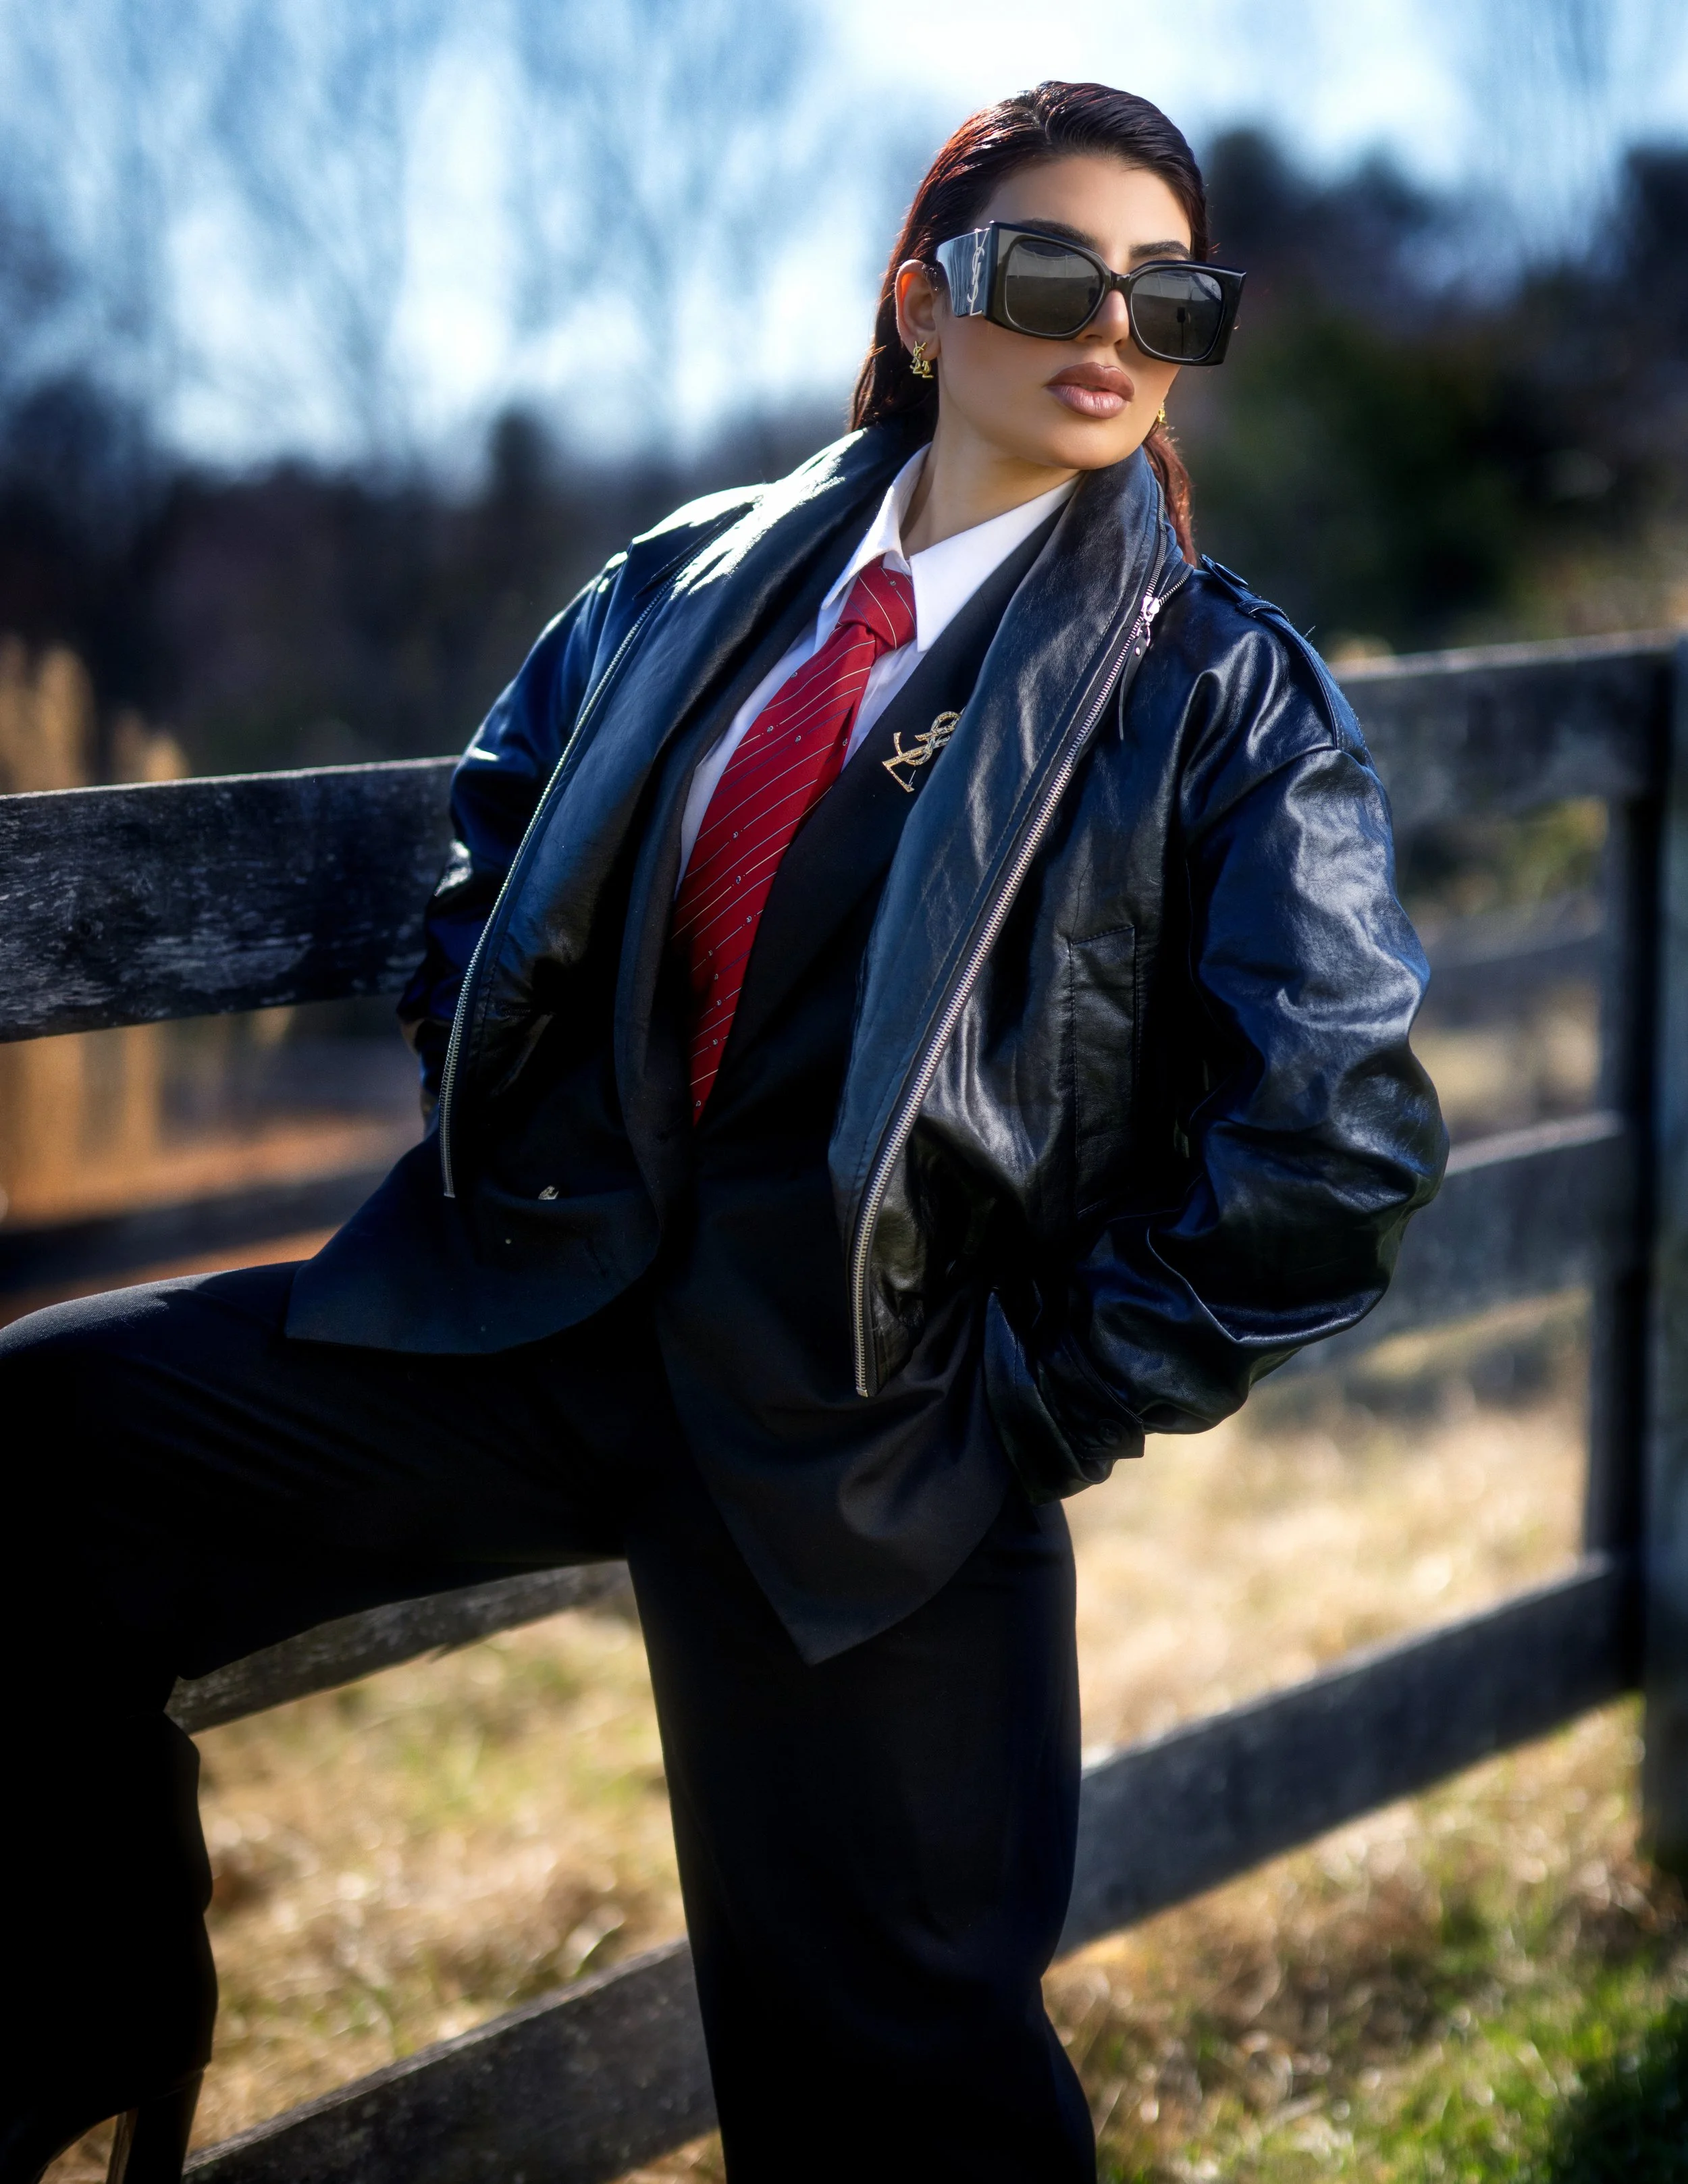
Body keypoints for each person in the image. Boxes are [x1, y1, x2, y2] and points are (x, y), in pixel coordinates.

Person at [0, 79, 1445, 2184]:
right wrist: (512, 1118)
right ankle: (82, 2029)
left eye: (1172, 294)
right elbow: (493, 856)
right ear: (925, 302)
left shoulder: (1214, 692)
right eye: (1052, 269)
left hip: (876, 1424)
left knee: (894, 2095)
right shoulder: (686, 577)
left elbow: (1332, 1151)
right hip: (547, 1322)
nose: (1110, 326)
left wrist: (1015, 1404)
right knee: (42, 1456)